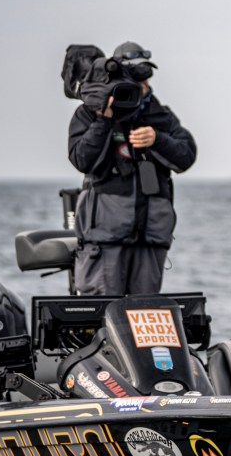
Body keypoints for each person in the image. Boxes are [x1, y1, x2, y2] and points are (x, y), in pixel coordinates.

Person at [68, 41, 197, 296]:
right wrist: (104, 121)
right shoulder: (90, 113)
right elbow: (82, 159)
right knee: (102, 312)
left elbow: (186, 155)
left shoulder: (159, 115)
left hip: (150, 237)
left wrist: (157, 139)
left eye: (146, 78)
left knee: (145, 313)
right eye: (137, 78)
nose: (144, 85)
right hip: (105, 238)